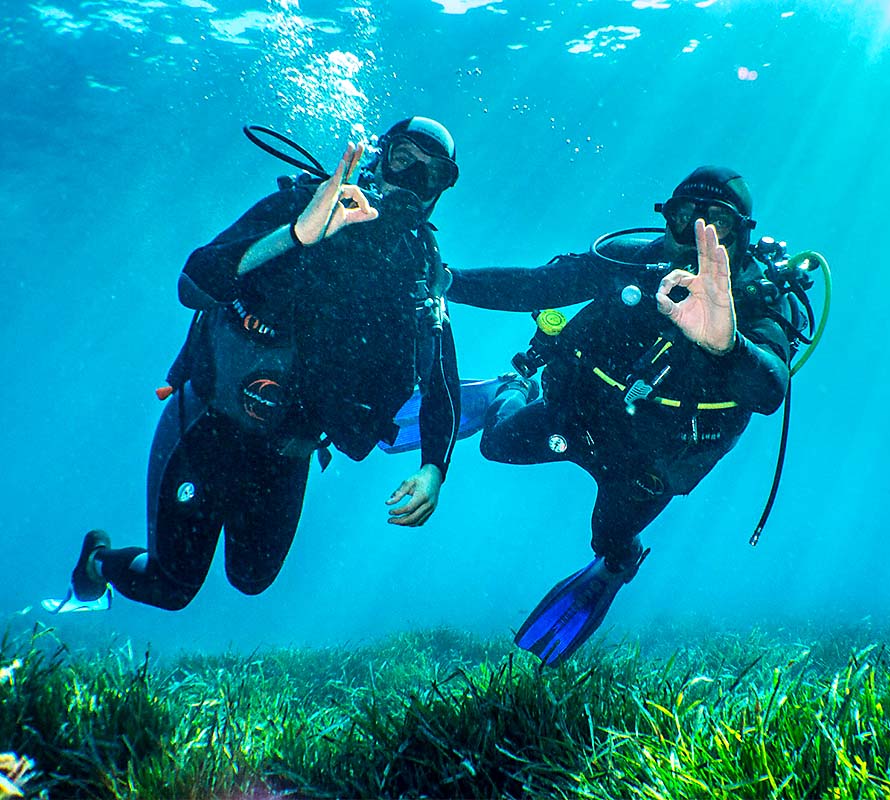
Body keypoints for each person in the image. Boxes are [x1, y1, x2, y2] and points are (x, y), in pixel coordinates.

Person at [58, 116, 463, 612]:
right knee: (172, 588)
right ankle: (97, 561)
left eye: (433, 174)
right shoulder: (307, 205)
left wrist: (434, 468)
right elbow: (193, 283)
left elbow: (443, 379)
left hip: (287, 453)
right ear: (380, 158)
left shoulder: (419, 269)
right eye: (404, 160)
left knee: (251, 579)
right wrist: (295, 235)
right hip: (208, 426)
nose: (414, 182)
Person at [447, 166, 792, 665]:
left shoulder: (758, 300)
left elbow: (770, 391)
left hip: (647, 468)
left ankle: (616, 565)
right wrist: (447, 281)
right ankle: (511, 388)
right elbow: (536, 287)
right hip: (575, 420)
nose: (698, 234)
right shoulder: (627, 264)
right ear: (666, 221)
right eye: (683, 218)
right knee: (495, 444)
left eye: (716, 221)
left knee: (610, 543)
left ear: (742, 231)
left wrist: (728, 345)